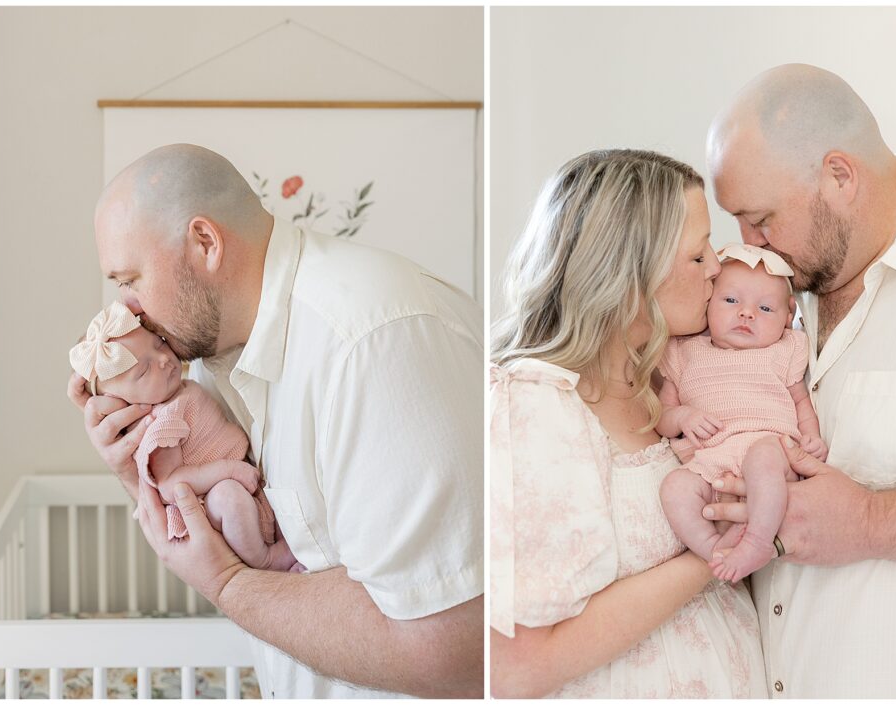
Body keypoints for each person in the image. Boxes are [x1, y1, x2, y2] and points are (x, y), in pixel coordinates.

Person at [67, 144, 484, 698]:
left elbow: (451, 645)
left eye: (128, 280)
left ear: (205, 244)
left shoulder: (370, 345)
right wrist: (136, 469)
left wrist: (229, 584)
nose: (128, 311)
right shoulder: (212, 360)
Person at [703, 63, 896, 697]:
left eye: (760, 219)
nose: (748, 247)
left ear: (840, 176)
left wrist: (871, 521)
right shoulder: (760, 293)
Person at [490, 149, 767, 698]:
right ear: (628, 275)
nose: (716, 266)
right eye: (696, 255)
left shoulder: (661, 382)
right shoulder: (537, 404)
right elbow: (518, 664)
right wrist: (727, 550)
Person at [69, 300, 301, 572]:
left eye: (159, 343)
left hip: (243, 479)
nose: (164, 360)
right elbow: (170, 484)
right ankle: (265, 559)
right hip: (210, 498)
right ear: (119, 401)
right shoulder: (160, 424)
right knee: (229, 498)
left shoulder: (182, 390)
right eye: (143, 371)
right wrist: (229, 470)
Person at [658, 244, 827, 584]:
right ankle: (716, 550)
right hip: (711, 458)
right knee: (675, 488)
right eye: (731, 301)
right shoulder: (684, 353)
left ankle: (757, 540)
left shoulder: (784, 351)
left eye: (765, 308)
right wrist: (683, 417)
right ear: (708, 303)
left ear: (787, 317)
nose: (747, 314)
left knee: (763, 461)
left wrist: (811, 439)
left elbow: (801, 402)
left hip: (769, 445)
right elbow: (663, 416)